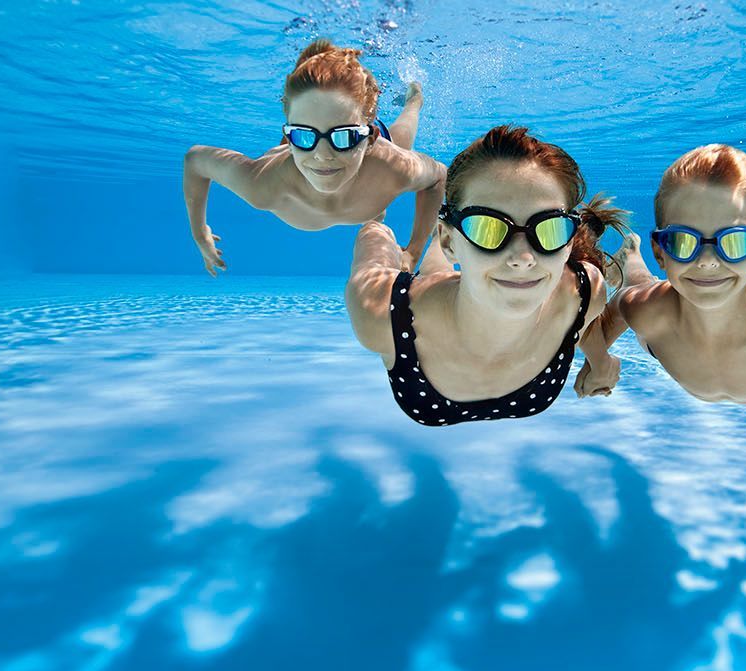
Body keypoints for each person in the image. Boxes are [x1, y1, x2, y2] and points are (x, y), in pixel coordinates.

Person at [345, 125, 627, 426]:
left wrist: (601, 362)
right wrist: (374, 225)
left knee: (449, 274)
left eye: (549, 229)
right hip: (424, 292)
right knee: (377, 233)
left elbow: (581, 325)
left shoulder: (583, 291)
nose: (522, 259)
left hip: (456, 285)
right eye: (487, 228)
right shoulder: (380, 314)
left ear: (569, 242)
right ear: (448, 241)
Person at [580, 145, 746, 479]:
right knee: (634, 287)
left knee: (645, 287)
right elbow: (606, 315)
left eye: (735, 241)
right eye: (683, 242)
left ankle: (634, 259)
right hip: (661, 327)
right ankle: (633, 257)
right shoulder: (646, 311)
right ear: (662, 251)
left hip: (665, 303)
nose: (708, 261)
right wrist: (597, 362)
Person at [182, 40, 445, 275]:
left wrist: (413, 251)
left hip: (372, 162)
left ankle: (415, 99)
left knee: (406, 127)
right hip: (311, 163)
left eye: (343, 136)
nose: (322, 156)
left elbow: (438, 177)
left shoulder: (392, 167)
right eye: (302, 135)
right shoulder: (261, 183)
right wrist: (199, 233)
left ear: (370, 138)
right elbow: (195, 160)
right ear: (288, 136)